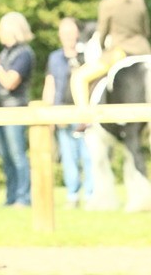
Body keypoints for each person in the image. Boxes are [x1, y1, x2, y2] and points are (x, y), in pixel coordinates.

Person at [70, 0, 151, 122]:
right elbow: (146, 30)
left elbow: (102, 34)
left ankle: (85, 120)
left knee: (79, 77)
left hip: (120, 53)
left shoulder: (107, 4)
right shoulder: (139, 0)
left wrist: (101, 49)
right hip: (144, 51)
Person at [42, 17, 93, 207]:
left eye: (71, 33)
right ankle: (72, 196)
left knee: (88, 156)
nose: (68, 37)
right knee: (68, 158)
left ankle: (90, 195)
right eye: (64, 34)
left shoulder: (86, 55)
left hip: (84, 112)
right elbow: (50, 84)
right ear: (60, 36)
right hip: (62, 112)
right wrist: (48, 115)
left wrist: (86, 115)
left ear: (77, 34)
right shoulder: (54, 57)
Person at [0, 12, 35, 206]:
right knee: (6, 157)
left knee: (17, 156)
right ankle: (11, 197)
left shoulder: (23, 53)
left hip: (14, 109)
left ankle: (23, 197)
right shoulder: (6, 52)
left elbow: (10, 82)